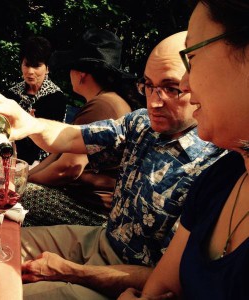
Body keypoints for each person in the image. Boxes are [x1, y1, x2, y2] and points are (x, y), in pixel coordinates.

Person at [0, 31, 227, 300]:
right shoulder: (141, 123)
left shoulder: (216, 166)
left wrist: (69, 271)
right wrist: (28, 123)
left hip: (130, 278)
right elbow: (73, 137)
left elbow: (169, 281)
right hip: (101, 237)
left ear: (202, 84)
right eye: (148, 85)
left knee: (3, 291)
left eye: (171, 88)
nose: (153, 101)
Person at [118, 1, 249, 299]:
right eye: (148, 86)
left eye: (192, 57)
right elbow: (160, 288)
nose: (187, 83)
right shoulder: (223, 176)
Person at [22, 28, 133, 227]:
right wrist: (26, 177)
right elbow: (58, 155)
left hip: (92, 210)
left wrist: (22, 184)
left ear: (81, 74)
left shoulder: (102, 106)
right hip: (82, 200)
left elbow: (68, 168)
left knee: (13, 197)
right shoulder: (104, 102)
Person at [4, 35, 67, 165]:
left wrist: (30, 126)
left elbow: (51, 141)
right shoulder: (12, 93)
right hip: (9, 156)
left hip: (41, 163)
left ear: (47, 68)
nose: (30, 71)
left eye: (36, 66)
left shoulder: (56, 98)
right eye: (27, 65)